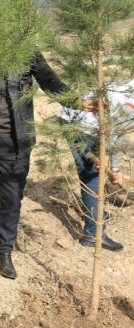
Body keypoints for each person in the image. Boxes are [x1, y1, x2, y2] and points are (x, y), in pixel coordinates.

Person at [0, 52, 69, 279]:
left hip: (16, 139)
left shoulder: (28, 51)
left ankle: (4, 252)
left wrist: (76, 101)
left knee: (12, 198)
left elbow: (50, 81)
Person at [58, 81, 132, 252]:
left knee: (94, 172)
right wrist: (114, 168)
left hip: (87, 121)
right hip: (79, 123)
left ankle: (96, 212)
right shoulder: (131, 101)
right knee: (92, 174)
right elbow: (115, 132)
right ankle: (93, 234)